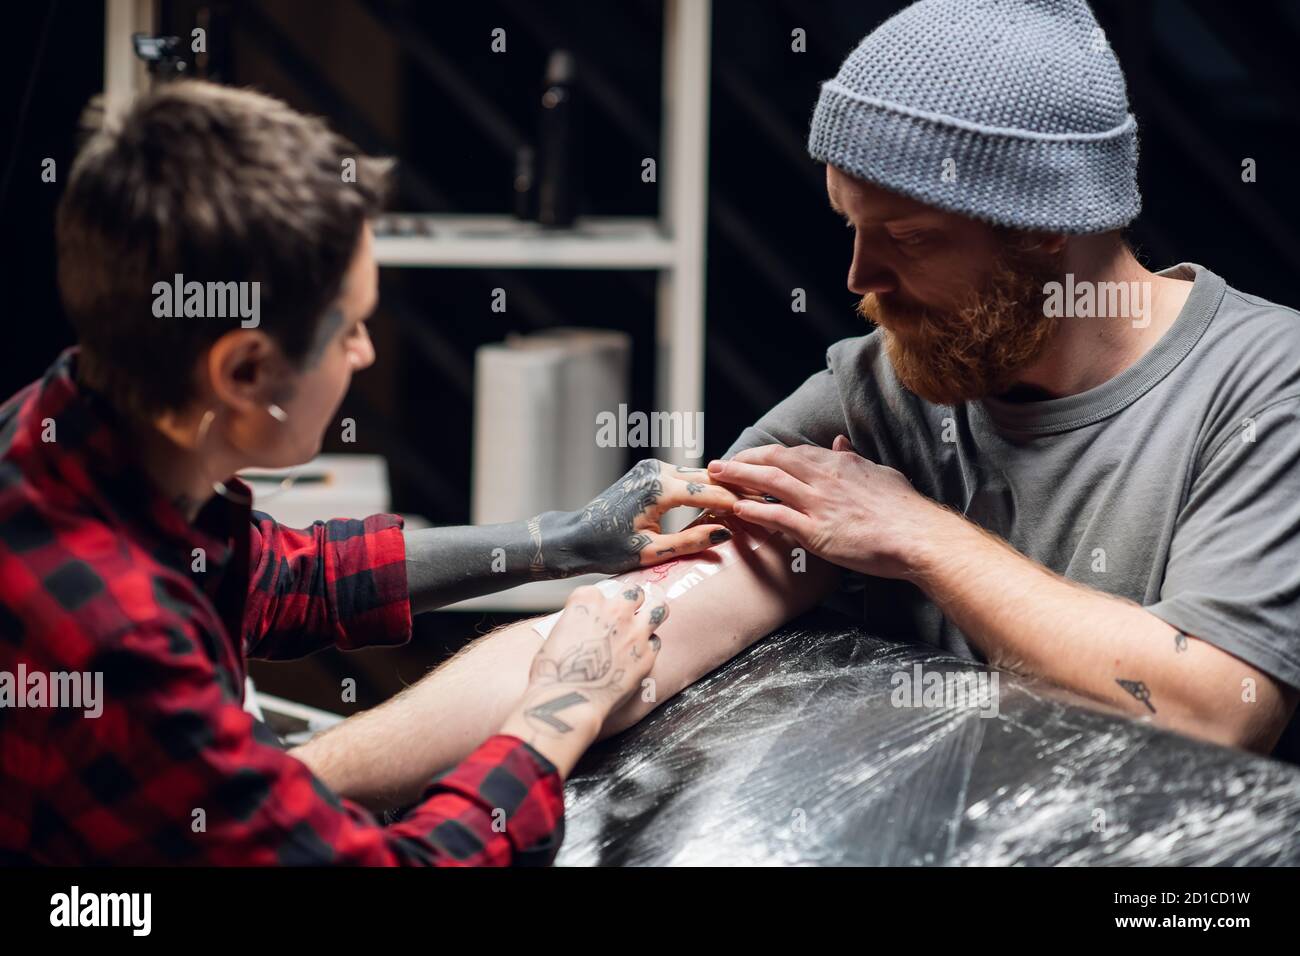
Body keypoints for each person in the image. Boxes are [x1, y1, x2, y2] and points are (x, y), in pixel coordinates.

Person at [385, 0, 1299, 770]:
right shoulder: (886, 387)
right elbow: (608, 647)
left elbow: (1215, 711)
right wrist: (294, 793)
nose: (862, 277)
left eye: (907, 239)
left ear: (1048, 226)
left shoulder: (1264, 387)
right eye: (850, 228)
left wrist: (921, 537)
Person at [0, 80, 743, 865]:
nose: (367, 354)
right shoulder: (122, 644)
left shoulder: (63, 429)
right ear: (246, 370)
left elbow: (288, 579)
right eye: (351, 327)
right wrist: (562, 703)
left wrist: (560, 541)